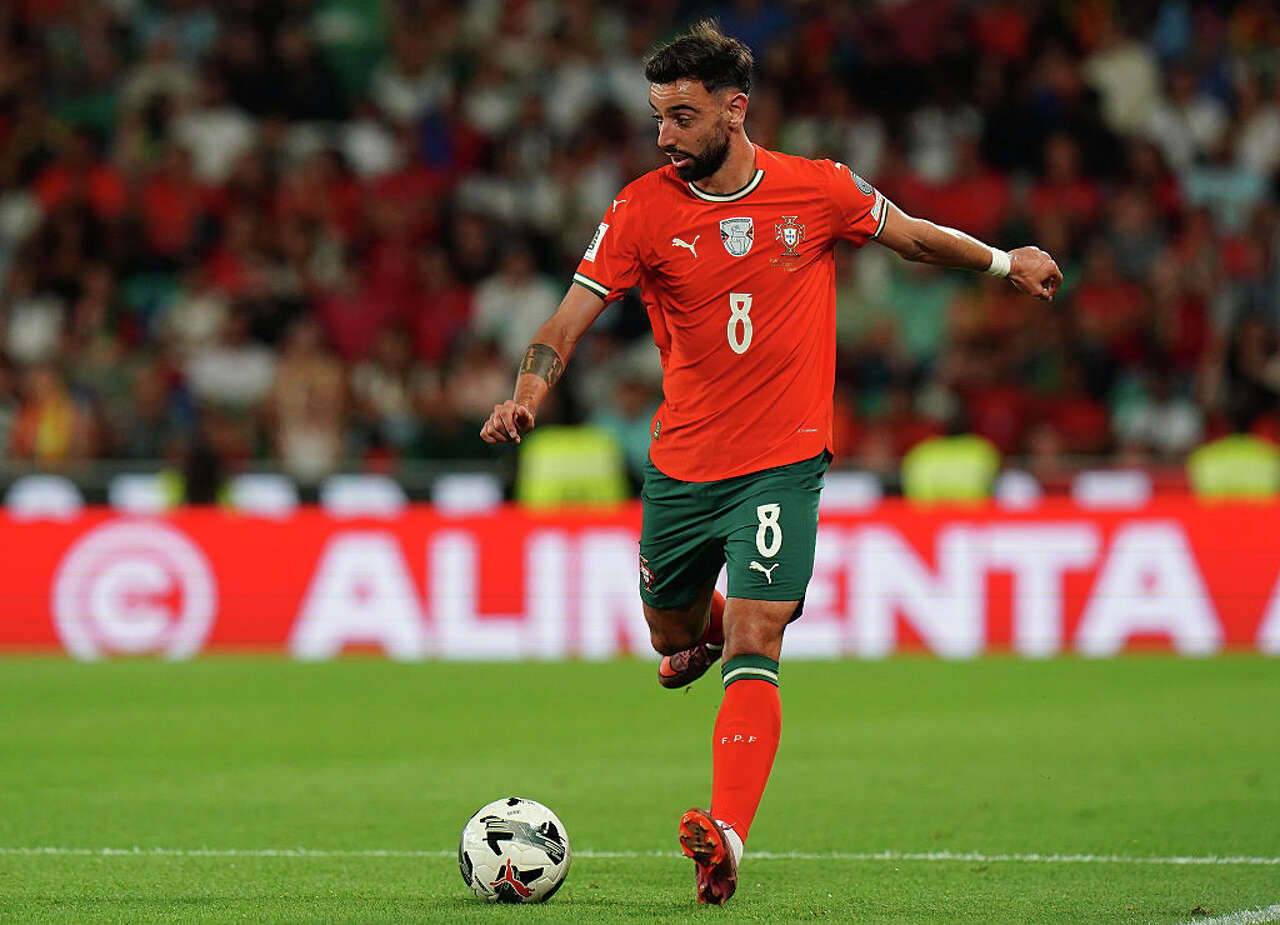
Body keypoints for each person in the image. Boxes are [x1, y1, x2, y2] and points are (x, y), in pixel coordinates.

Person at [481, 21, 1062, 906]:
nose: (666, 135)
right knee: (673, 638)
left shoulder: (817, 189)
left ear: (733, 107)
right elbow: (565, 320)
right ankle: (698, 632)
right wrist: (527, 393)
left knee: (759, 633)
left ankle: (727, 838)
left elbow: (907, 236)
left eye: (682, 116)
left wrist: (1000, 260)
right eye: (657, 118)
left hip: (781, 464)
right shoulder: (641, 209)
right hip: (681, 465)